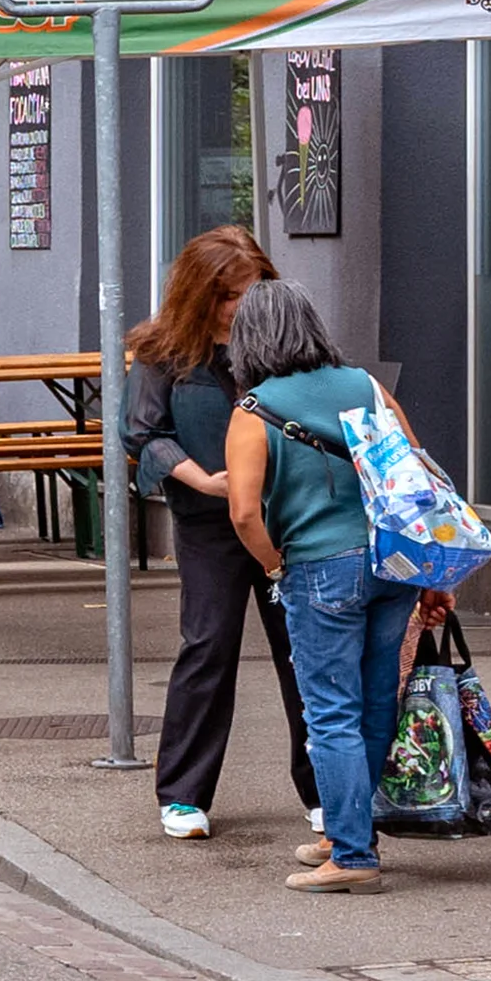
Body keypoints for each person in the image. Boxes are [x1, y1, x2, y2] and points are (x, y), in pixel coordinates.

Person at [223, 279, 424, 894]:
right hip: (394, 563)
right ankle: (345, 832)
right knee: (372, 703)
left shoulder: (254, 410)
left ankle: (354, 858)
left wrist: (275, 565)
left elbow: (243, 513)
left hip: (318, 567)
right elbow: (414, 466)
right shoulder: (366, 385)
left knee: (330, 711)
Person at [127, 228, 303, 842]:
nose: (241, 308)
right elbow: (143, 434)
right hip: (208, 521)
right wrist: (204, 482)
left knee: (303, 650)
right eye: (229, 296)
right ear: (201, 295)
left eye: (251, 293)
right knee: (208, 647)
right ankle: (182, 794)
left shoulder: (280, 343)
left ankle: (324, 790)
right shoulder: (163, 352)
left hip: (286, 518)